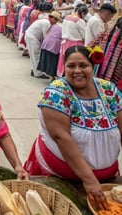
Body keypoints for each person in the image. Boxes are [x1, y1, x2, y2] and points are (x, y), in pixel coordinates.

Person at [24, 45, 122, 211]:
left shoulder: (108, 90)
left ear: (93, 66)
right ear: (64, 68)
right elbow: (61, 137)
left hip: (107, 178)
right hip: (63, 177)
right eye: (71, 66)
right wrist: (89, 180)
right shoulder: (55, 93)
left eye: (83, 65)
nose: (77, 71)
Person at [56, 4, 89, 77]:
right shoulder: (79, 21)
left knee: (65, 61)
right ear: (83, 13)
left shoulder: (66, 17)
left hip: (65, 42)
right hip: (76, 43)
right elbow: (84, 35)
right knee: (74, 63)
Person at [89, 17, 122, 87]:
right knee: (110, 88)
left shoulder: (106, 32)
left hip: (99, 66)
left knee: (97, 85)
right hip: (116, 71)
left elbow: (92, 45)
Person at [37, 11, 62, 81]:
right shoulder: (52, 25)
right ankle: (52, 76)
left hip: (48, 44)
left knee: (50, 61)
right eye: (50, 17)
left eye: (52, 18)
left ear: (56, 19)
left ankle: (51, 76)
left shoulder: (55, 26)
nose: (50, 19)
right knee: (52, 61)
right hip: (52, 46)